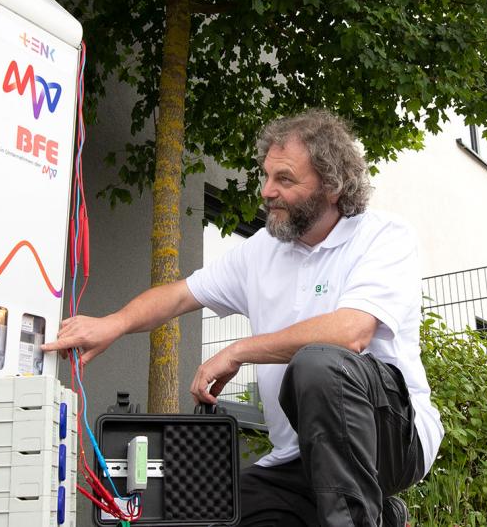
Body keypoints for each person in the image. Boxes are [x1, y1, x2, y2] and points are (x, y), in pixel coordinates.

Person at [44, 110, 442, 527]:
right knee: (220, 516)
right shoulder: (261, 250)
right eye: (266, 176)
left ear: (332, 185)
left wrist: (239, 352)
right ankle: (381, 516)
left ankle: (367, 516)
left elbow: (350, 333)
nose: (267, 191)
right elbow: (180, 295)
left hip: (390, 443)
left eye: (285, 179)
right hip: (298, 459)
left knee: (320, 363)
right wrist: (114, 323)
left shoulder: (382, 237)